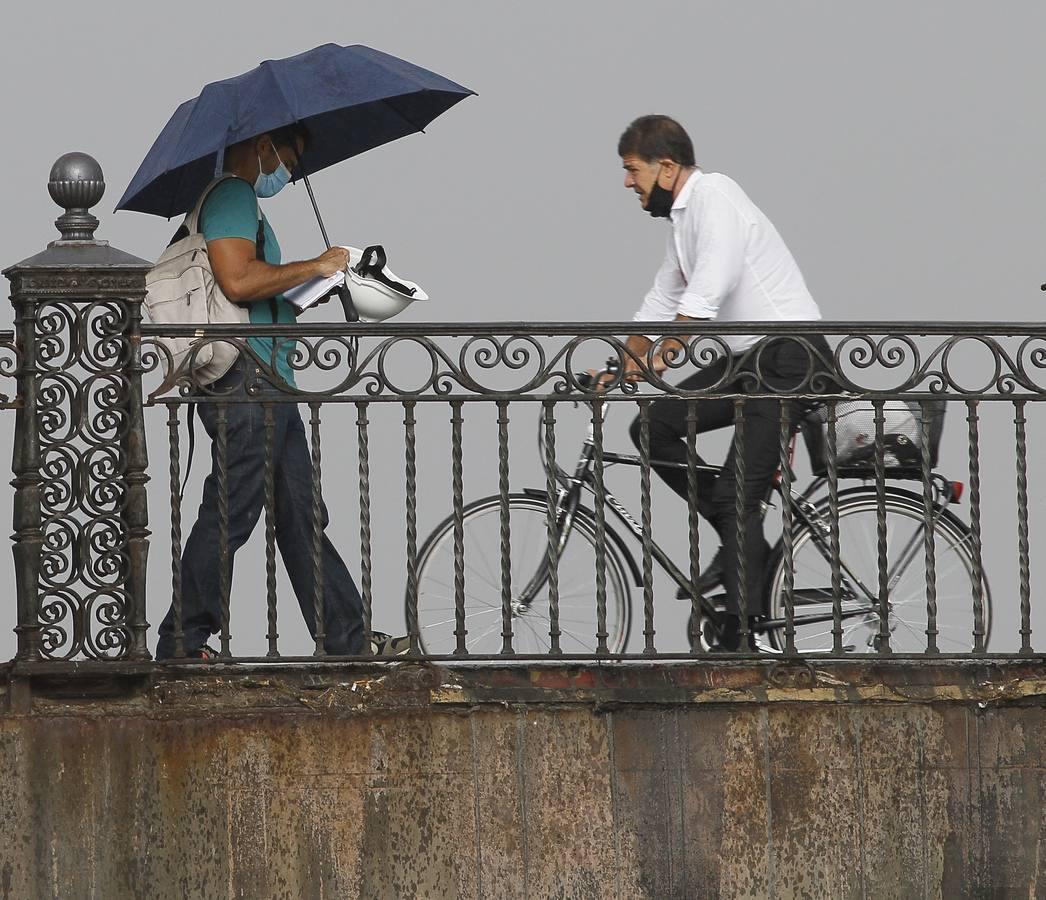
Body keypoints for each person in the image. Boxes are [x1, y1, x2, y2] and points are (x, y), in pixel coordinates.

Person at [155, 124, 405, 659]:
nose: (291, 171)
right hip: (246, 379)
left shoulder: (243, 202)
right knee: (231, 509)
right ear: (265, 144)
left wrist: (312, 286)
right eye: (293, 157)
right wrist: (315, 266)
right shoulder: (232, 194)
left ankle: (346, 640)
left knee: (301, 514)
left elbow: (256, 287)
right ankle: (183, 639)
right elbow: (238, 281)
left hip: (268, 379)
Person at [616, 114, 830, 651]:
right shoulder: (683, 222)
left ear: (666, 168)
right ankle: (737, 538)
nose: (627, 183)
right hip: (748, 360)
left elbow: (708, 288)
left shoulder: (716, 196)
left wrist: (663, 356)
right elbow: (662, 299)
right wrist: (623, 364)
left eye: (632, 170)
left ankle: (743, 633)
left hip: (789, 358)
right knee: (651, 427)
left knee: (740, 495)